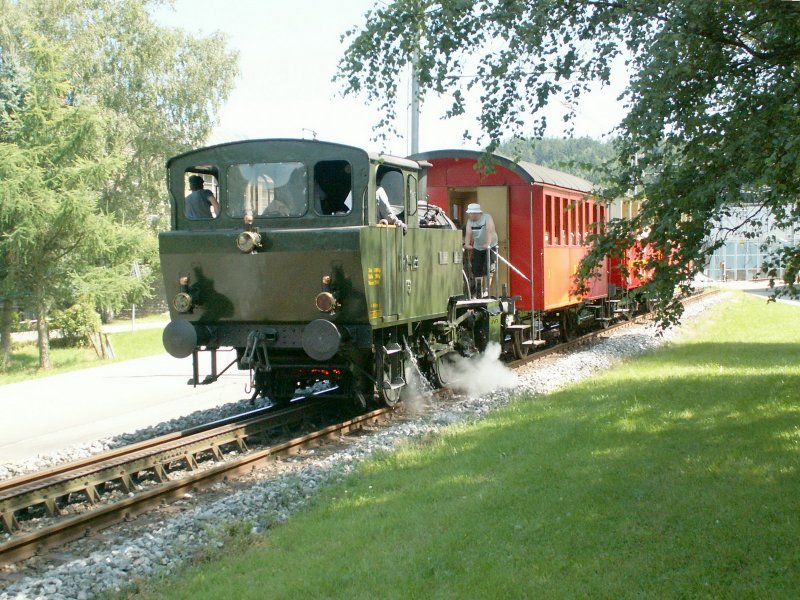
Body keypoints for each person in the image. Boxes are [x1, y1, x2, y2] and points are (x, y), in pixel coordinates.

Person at [464, 202, 498, 296]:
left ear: (476, 213)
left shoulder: (487, 217)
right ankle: (479, 290)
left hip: (491, 245)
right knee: (477, 268)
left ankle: (486, 290)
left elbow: (489, 230)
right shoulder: (470, 221)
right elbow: (468, 233)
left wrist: (487, 244)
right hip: (477, 246)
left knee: (489, 267)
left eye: (470, 213)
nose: (469, 215)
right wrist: (467, 244)